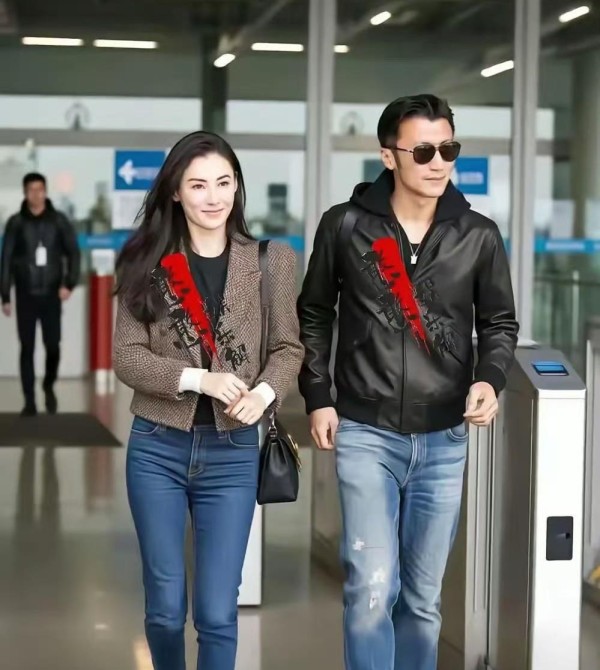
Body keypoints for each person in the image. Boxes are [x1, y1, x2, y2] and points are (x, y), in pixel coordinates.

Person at [297, 94, 519, 670]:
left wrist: (490, 378)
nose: (438, 162)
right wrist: (318, 395)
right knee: (372, 588)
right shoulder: (345, 226)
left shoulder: (479, 235)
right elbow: (315, 313)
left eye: (448, 149)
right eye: (423, 151)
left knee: (421, 600)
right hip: (366, 432)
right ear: (388, 156)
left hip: (445, 438)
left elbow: (499, 322)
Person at [113, 130, 303, 670]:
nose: (213, 197)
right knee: (165, 608)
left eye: (223, 182)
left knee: (219, 612)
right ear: (176, 192)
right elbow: (127, 357)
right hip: (157, 447)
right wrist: (200, 379)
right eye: (198, 185)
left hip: (233, 452)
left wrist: (263, 393)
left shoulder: (270, 260)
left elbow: (288, 347)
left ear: (237, 186)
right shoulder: (146, 260)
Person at [0, 172, 80, 417]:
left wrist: (69, 283)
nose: (36, 194)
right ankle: (29, 401)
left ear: (45, 191)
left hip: (51, 295)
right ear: (25, 193)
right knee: (27, 347)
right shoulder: (16, 223)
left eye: (40, 189)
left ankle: (48, 385)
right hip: (25, 295)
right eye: (31, 190)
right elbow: (6, 260)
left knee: (52, 346)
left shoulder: (58, 221)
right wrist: (5, 295)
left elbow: (74, 253)